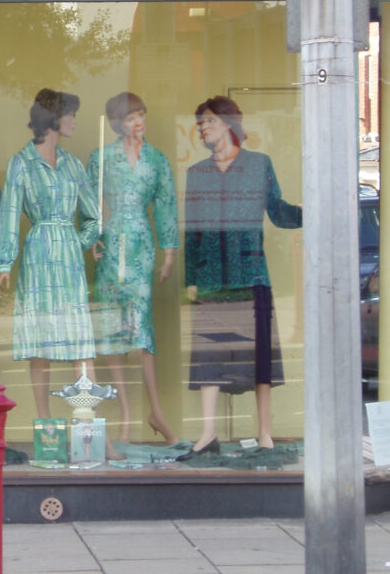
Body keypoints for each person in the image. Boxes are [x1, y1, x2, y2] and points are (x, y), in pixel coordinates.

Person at [178, 95, 302, 460]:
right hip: (212, 279)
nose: (203, 129)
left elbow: (277, 212)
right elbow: (193, 232)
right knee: (209, 357)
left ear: (230, 124)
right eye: (200, 123)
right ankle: (208, 433)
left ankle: (265, 434)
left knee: (260, 357)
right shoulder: (196, 173)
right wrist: (191, 279)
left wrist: (311, 211)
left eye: (209, 122)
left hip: (251, 274)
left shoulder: (259, 165)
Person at [0, 89, 100, 419]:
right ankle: (45, 426)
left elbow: (93, 214)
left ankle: (88, 424)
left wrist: (79, 239)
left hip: (68, 259)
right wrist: (4, 262)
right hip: (38, 256)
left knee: (80, 339)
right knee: (41, 344)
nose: (74, 122)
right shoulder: (21, 163)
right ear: (54, 118)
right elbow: (9, 213)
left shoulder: (73, 165)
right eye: (70, 115)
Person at [87, 92, 179, 444]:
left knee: (141, 330)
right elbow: (89, 202)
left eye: (141, 114)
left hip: (140, 246)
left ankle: (155, 411)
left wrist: (169, 252)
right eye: (130, 117)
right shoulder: (101, 157)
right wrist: (92, 234)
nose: (137, 121)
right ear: (116, 123)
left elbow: (167, 206)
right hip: (110, 247)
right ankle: (126, 415)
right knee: (113, 329)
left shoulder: (157, 159)